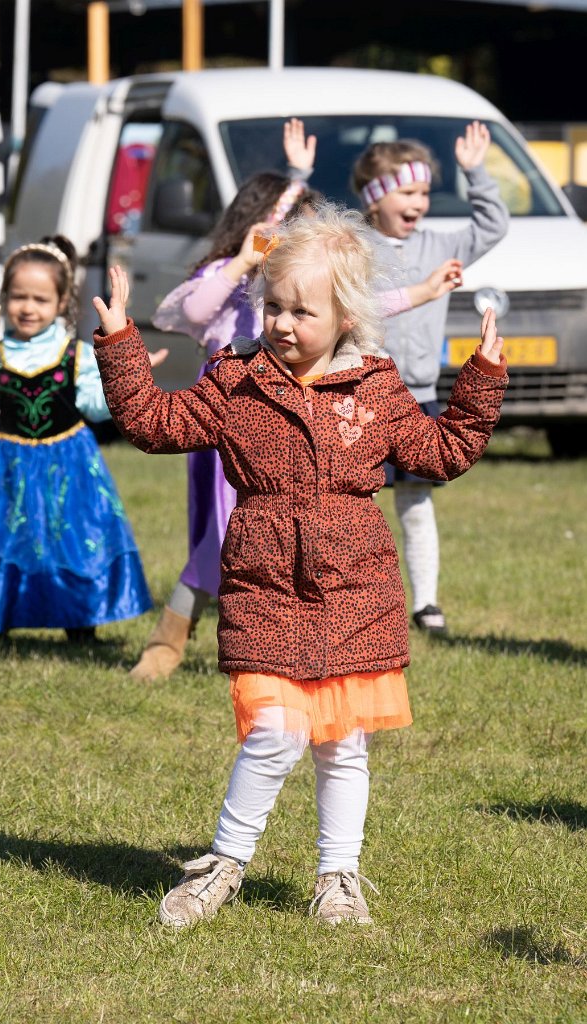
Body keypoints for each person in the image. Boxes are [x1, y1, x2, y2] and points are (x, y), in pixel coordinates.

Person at [91, 202, 507, 927]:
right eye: (273, 306)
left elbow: (441, 452)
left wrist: (479, 382)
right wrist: (119, 342)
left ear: (346, 316)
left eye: (300, 311)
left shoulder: (375, 389)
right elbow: (154, 425)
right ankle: (222, 865)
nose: (281, 323)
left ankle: (337, 878)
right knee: (275, 732)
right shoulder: (235, 381)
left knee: (343, 746)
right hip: (264, 587)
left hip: (355, 593)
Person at [131, 119, 465, 681]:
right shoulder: (232, 284)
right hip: (225, 434)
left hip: (282, 438)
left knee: (251, 548)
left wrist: (426, 291)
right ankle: (177, 642)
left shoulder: (303, 297)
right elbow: (186, 313)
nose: (283, 322)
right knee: (220, 542)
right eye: (288, 232)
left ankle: (254, 645)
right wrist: (253, 244)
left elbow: (364, 301)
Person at [0, 235, 164, 643]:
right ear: (4, 297)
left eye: (40, 299)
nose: (28, 307)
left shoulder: (75, 355)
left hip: (70, 468)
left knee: (72, 542)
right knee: (11, 541)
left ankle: (81, 622)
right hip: (8, 469)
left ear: (62, 302)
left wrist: (128, 373)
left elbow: (97, 406)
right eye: (19, 296)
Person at [353, 121, 509, 633]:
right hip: (359, 397)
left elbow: (492, 225)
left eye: (424, 191)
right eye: (408, 191)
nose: (420, 202)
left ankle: (425, 603)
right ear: (376, 196)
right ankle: (356, 600)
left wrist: (476, 171)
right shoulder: (352, 248)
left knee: (416, 500)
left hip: (416, 398)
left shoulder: (440, 243)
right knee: (355, 503)